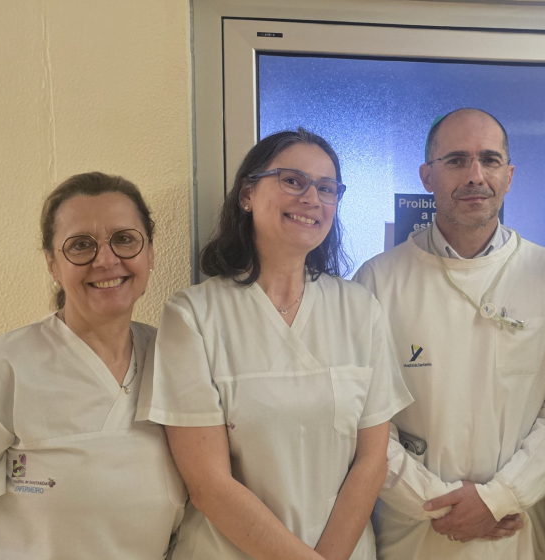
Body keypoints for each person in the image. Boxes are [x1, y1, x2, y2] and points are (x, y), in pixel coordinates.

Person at [141, 129, 413, 560]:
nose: (312, 198)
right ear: (247, 194)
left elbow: (371, 462)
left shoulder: (360, 309)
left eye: (326, 188)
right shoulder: (193, 315)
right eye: (292, 180)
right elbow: (208, 484)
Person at [0, 172, 185, 559]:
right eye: (81, 245)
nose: (106, 260)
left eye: (124, 239)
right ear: (52, 263)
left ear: (150, 253)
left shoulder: (175, 361)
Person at [353, 108, 545, 559]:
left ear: (509, 176)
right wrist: (439, 505)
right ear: (427, 176)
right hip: (416, 532)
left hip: (516, 528)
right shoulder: (378, 280)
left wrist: (501, 498)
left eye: (490, 160)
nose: (475, 175)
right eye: (456, 160)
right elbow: (365, 419)